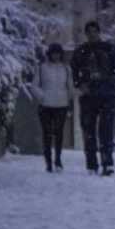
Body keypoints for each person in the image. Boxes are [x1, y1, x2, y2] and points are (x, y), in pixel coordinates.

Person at [70, 20, 115, 176]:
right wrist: (79, 84)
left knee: (106, 131)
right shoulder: (80, 52)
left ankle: (107, 163)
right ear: (86, 34)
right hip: (88, 96)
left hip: (107, 95)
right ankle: (91, 165)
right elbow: (73, 72)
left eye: (94, 31)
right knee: (88, 131)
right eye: (89, 32)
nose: (92, 35)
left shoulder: (109, 49)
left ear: (99, 32)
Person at [33, 43, 75, 172]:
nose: (56, 56)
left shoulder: (66, 69)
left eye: (58, 53)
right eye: (53, 53)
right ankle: (48, 161)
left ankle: (58, 159)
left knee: (59, 133)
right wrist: (42, 96)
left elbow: (70, 86)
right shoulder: (42, 68)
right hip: (45, 105)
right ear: (49, 54)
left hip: (61, 104)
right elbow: (34, 85)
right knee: (47, 133)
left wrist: (70, 99)